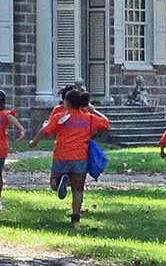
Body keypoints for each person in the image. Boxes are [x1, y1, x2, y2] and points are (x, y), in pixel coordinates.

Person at [28, 88, 110, 225]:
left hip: (61, 156)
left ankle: (61, 182)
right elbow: (106, 123)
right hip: (80, 158)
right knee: (78, 189)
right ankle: (75, 218)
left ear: (66, 102)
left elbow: (45, 131)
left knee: (53, 183)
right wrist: (92, 110)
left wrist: (35, 141)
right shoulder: (89, 119)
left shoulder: (59, 118)